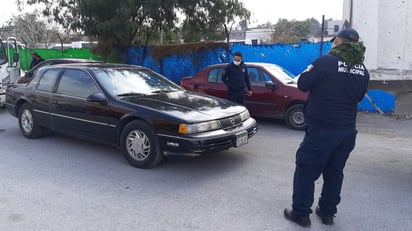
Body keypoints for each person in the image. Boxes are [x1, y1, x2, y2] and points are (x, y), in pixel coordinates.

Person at [283, 28, 369, 227]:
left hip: (322, 130)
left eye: (334, 41)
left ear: (337, 41)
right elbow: (358, 97)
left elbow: (303, 84)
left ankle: (301, 214)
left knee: (306, 170)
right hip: (347, 131)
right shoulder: (362, 69)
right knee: (334, 172)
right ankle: (327, 213)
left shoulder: (325, 61)